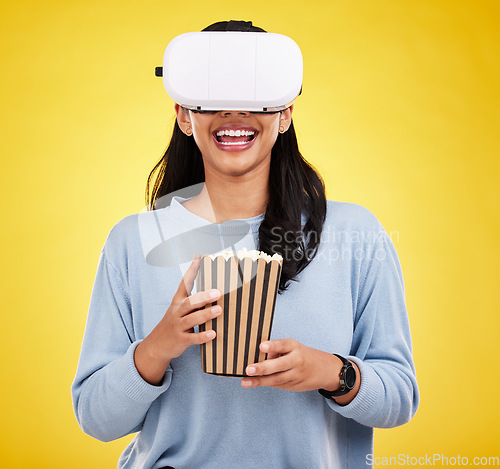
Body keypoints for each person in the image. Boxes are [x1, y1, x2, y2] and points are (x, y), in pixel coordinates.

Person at [72, 20, 419, 469]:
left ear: (285, 114)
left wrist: (331, 372)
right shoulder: (132, 242)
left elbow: (400, 397)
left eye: (253, 98)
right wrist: (158, 346)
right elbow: (95, 419)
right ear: (183, 115)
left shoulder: (355, 235)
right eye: (214, 99)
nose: (234, 114)